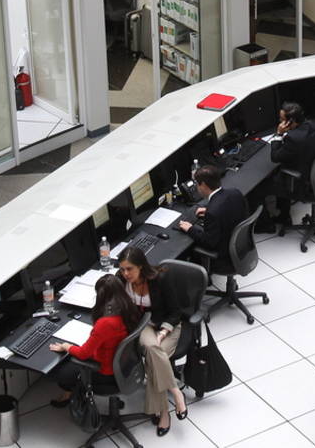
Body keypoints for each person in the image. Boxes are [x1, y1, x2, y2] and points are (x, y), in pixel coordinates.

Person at [116, 247, 191, 436]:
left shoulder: (159, 279)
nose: (125, 274)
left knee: (154, 358)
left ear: (141, 266)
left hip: (167, 325)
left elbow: (175, 312)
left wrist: (163, 332)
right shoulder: (121, 280)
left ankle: (163, 412)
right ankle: (176, 392)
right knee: (152, 349)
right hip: (144, 326)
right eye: (122, 269)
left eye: (129, 269)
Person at [47, 273, 140, 407]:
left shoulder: (105, 323)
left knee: (61, 371)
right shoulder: (129, 308)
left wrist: (66, 346)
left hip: (106, 374)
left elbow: (84, 354)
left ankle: (70, 394)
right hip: (125, 366)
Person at [261, 101, 315, 230]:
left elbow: (275, 157)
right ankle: (284, 216)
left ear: (291, 121)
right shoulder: (311, 126)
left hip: (302, 184)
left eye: (282, 119)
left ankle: (265, 225)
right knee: (280, 172)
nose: (280, 121)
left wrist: (279, 134)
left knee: (260, 188)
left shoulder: (293, 138)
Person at [177, 163, 245, 254]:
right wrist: (208, 210)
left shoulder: (212, 212)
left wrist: (190, 229)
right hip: (241, 243)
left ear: (203, 185)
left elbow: (209, 243)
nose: (197, 187)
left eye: (197, 184)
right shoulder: (235, 192)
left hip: (226, 251)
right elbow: (229, 210)